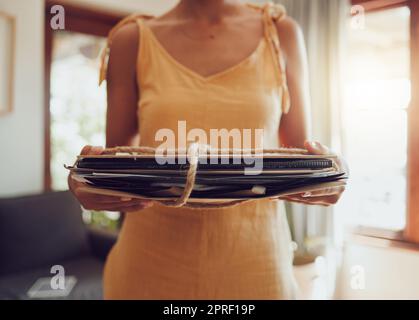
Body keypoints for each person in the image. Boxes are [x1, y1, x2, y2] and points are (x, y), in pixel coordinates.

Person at [69, 0, 346, 299]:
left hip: (257, 269)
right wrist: (86, 181)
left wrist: (327, 175)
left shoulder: (282, 33)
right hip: (148, 269)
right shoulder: (131, 39)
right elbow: (119, 168)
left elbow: (299, 161)